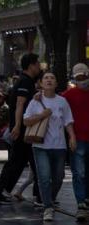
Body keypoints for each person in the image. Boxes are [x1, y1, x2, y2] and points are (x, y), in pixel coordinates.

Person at [0, 53, 41, 204]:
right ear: (31, 65)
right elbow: (19, 105)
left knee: (20, 161)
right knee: (18, 162)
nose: (39, 67)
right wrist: (17, 126)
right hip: (23, 129)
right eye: (37, 64)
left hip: (24, 128)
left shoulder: (26, 81)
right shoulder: (25, 82)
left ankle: (3, 191)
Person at [23, 72, 76, 221]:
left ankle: (49, 200)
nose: (49, 80)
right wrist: (42, 115)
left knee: (59, 177)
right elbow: (26, 121)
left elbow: (68, 121)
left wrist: (72, 136)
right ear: (41, 84)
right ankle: (47, 207)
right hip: (40, 146)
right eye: (46, 78)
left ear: (56, 83)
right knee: (44, 178)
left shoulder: (62, 102)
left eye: (52, 78)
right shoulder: (35, 101)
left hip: (59, 146)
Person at [62, 63, 89, 221]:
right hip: (77, 139)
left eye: (84, 77)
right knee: (79, 173)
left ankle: (85, 201)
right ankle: (81, 203)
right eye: (78, 78)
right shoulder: (69, 95)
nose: (82, 80)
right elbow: (54, 100)